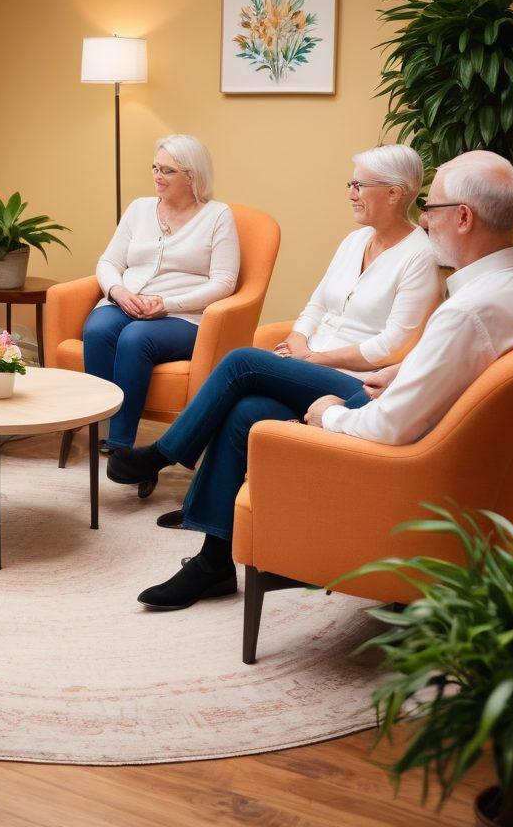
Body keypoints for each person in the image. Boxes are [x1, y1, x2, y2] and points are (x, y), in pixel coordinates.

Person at [110, 144, 459, 609]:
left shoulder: (418, 256)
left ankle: (164, 452)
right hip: (313, 363)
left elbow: (393, 344)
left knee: (239, 362)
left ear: (395, 194)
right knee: (247, 412)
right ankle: (214, 563)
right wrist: (298, 342)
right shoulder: (354, 241)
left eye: (359, 185)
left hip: (360, 389)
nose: (351, 193)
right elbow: (315, 305)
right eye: (350, 183)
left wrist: (315, 360)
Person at [83, 135, 240, 455]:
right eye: (155, 167)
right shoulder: (139, 209)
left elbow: (224, 282)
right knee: (97, 330)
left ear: (192, 176)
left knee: (136, 338)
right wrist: (118, 292)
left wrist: (166, 305)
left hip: (183, 314)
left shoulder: (218, 216)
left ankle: (120, 444)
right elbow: (109, 261)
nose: (157, 176)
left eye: (167, 171)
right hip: (128, 300)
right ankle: (96, 426)